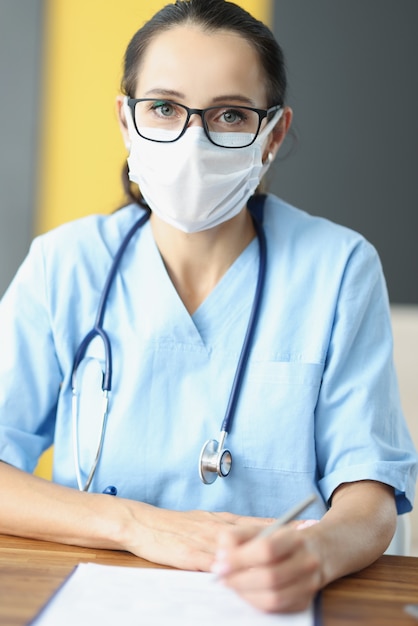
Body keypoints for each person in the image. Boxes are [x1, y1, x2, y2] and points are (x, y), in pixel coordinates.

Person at [0, 0, 417, 614]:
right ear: (125, 118)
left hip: (268, 601)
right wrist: (139, 527)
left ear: (273, 134)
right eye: (164, 108)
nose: (193, 140)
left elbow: (370, 496)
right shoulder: (64, 265)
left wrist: (317, 553)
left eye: (229, 114)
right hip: (95, 595)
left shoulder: (338, 267)